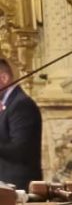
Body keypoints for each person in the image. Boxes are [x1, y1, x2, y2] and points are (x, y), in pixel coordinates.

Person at [0, 59, 42, 191]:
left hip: (19, 187)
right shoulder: (9, 104)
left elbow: (20, 150)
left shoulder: (20, 104)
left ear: (4, 78)